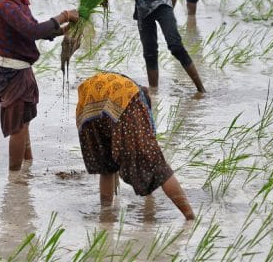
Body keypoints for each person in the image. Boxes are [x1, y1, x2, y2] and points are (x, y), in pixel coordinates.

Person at [0, 0, 79, 170]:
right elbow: (32, 30)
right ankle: (15, 179)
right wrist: (64, 15)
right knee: (18, 126)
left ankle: (27, 166)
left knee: (23, 120)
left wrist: (63, 31)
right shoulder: (5, 3)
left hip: (14, 66)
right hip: (8, 70)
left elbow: (35, 28)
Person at [75, 72, 195, 220]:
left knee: (106, 168)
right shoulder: (137, 100)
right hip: (120, 96)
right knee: (158, 165)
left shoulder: (132, 87)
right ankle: (190, 218)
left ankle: (106, 214)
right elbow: (148, 145)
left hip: (87, 101)